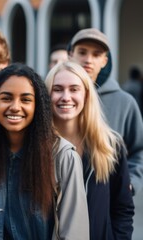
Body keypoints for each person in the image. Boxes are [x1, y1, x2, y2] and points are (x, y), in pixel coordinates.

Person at [0, 63, 89, 239]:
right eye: (6, 98)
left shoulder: (63, 156)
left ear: (38, 106)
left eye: (26, 99)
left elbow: (75, 232)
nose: (15, 106)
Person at [45, 61, 134, 239]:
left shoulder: (110, 145)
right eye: (57, 89)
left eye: (74, 89)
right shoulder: (37, 146)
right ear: (47, 95)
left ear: (86, 95)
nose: (66, 96)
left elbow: (122, 208)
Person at [68, 28, 143, 195]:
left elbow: (139, 148)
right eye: (82, 52)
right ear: (70, 55)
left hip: (107, 202)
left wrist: (132, 182)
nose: (88, 60)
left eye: (96, 54)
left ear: (104, 61)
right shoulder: (54, 99)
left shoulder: (124, 102)